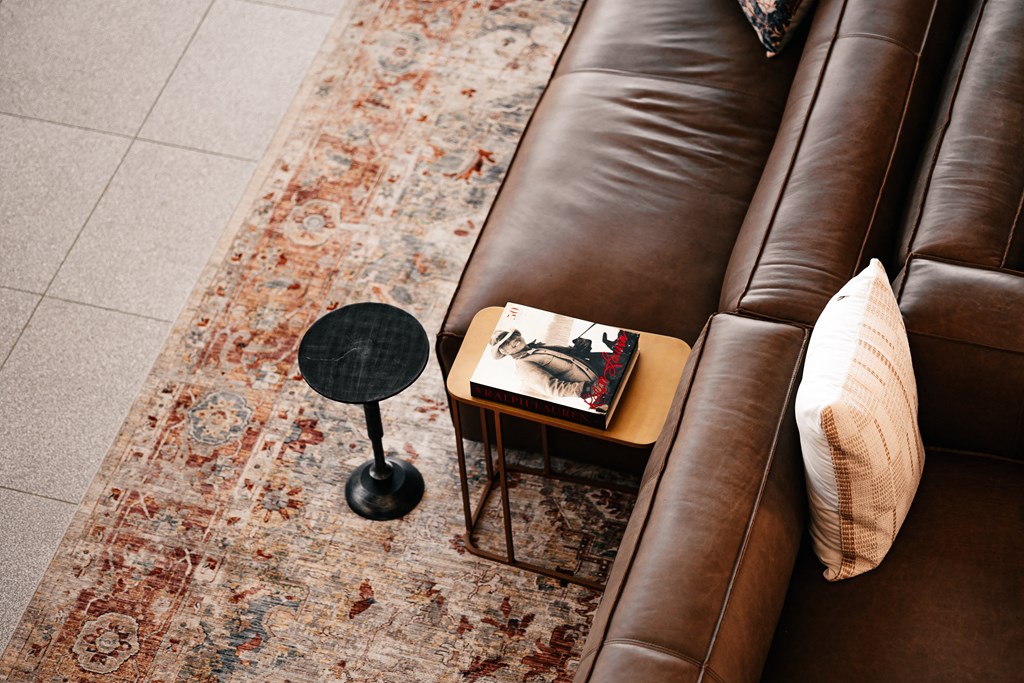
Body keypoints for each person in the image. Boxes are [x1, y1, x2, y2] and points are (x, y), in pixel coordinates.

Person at [489, 328, 607, 403]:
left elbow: (571, 357)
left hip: (604, 367)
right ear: (504, 352)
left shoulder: (538, 346)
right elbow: (554, 389)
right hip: (602, 385)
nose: (512, 341)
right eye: (506, 343)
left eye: (512, 336)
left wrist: (580, 348)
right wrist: (589, 388)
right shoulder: (523, 366)